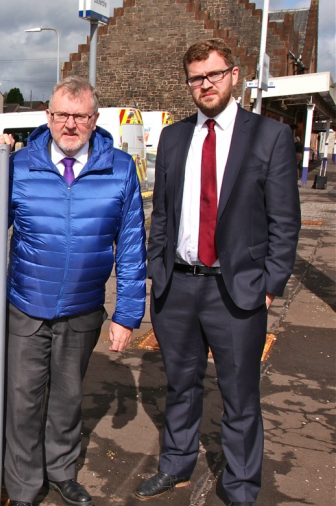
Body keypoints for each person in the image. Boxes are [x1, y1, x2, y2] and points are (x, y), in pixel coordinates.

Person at [138, 39, 301, 506]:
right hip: (178, 287)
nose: (204, 84)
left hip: (237, 291)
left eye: (212, 74)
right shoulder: (173, 137)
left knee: (239, 396)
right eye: (195, 77)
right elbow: (164, 214)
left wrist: (270, 284)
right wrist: (157, 267)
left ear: (233, 75)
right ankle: (176, 465)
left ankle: (241, 487)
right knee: (180, 384)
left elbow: (285, 221)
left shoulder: (267, 137)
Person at [0, 76, 147, 506]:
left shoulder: (119, 169)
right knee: (22, 402)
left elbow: (132, 245)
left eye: (80, 116)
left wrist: (127, 313)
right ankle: (23, 486)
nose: (70, 125)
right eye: (62, 115)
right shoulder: (17, 166)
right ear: (49, 117)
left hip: (83, 309)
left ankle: (61, 470)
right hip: (26, 305)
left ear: (95, 120)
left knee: (67, 398)